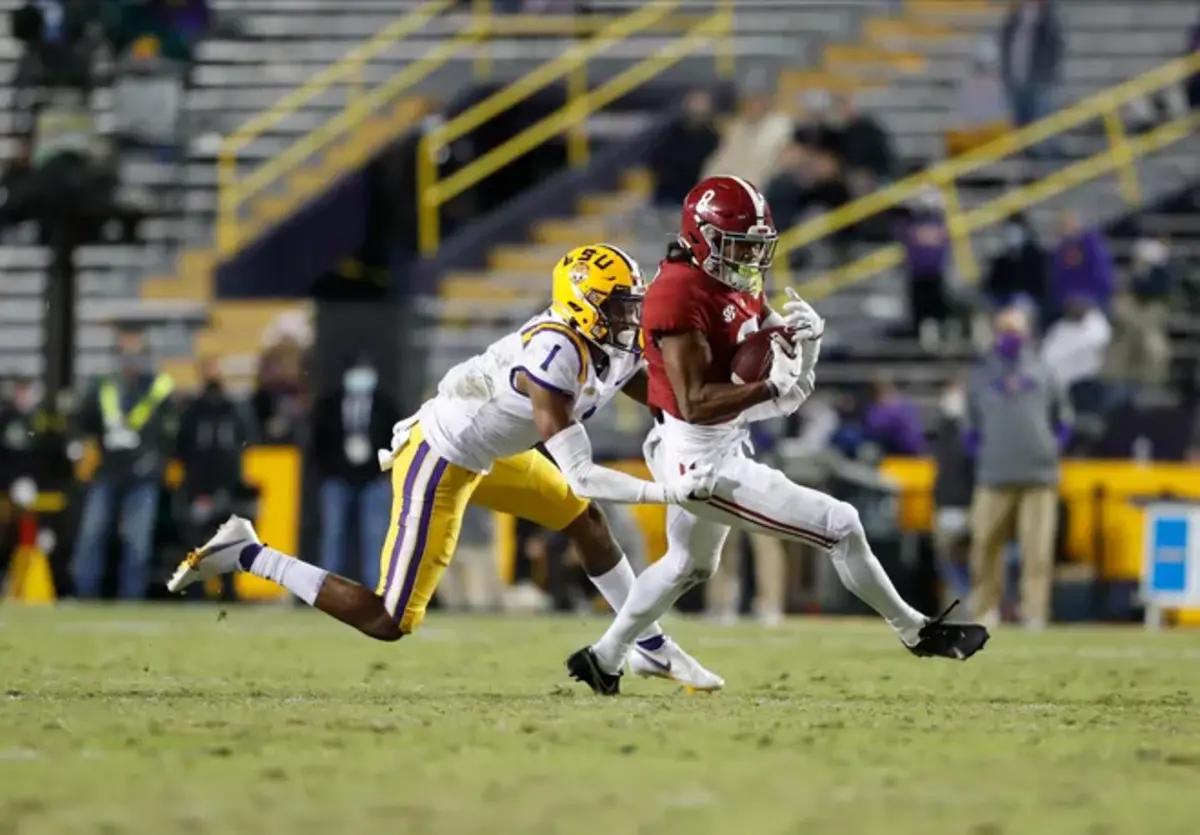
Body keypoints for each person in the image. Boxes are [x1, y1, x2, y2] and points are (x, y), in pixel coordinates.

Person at [168, 244, 724, 691]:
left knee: (585, 522)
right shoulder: (554, 355)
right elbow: (580, 472)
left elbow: (664, 401)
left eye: (634, 303)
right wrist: (671, 491)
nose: (632, 316)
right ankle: (247, 552)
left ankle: (649, 646)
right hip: (441, 456)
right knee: (390, 620)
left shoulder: (610, 341)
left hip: (496, 451)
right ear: (584, 305)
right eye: (620, 306)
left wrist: (739, 401)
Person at [565, 177, 988, 695]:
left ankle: (604, 657)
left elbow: (784, 377)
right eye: (737, 246)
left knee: (688, 564)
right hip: (698, 458)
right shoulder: (677, 292)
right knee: (842, 523)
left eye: (755, 248)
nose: (747, 260)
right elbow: (697, 402)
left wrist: (803, 343)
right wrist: (768, 383)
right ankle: (914, 629)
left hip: (722, 436)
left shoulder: (734, 278)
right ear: (701, 237)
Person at [966, 307, 1069, 629]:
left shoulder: (1045, 370)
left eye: (1016, 329)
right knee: (983, 542)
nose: (1011, 335)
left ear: (1027, 332)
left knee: (1036, 549)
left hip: (1039, 474)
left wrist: (1052, 448)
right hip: (994, 473)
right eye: (1005, 328)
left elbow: (1063, 419)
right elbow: (970, 426)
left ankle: (1034, 613)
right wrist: (982, 453)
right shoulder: (980, 374)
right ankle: (985, 609)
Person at [71, 327, 176, 598]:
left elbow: (171, 434)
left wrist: (155, 461)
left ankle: (131, 597)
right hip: (108, 471)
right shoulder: (103, 386)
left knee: (136, 541)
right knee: (92, 536)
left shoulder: (159, 387)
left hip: (143, 475)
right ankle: (85, 595)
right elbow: (82, 423)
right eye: (125, 355)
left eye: (136, 355)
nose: (130, 361)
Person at [312, 357, 400, 588]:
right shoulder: (330, 403)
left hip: (373, 480)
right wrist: (331, 469)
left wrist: (383, 471)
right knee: (333, 536)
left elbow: (398, 439)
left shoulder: (384, 404)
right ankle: (327, 591)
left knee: (375, 538)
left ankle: (375, 591)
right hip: (338, 479)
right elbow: (318, 441)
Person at [175, 358, 256, 578]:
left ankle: (228, 594)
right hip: (198, 488)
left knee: (230, 545)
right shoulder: (192, 412)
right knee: (196, 543)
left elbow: (247, 444)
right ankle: (196, 593)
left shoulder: (235, 410)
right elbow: (182, 449)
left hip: (229, 487)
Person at [999, 0, 1064, 142]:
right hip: (1016, 82)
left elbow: (1055, 48)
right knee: (1021, 128)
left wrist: (1046, 77)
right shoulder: (1013, 20)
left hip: (1038, 84)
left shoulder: (1048, 20)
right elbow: (1005, 46)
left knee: (1041, 129)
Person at [702, 90, 793, 191]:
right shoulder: (737, 127)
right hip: (726, 184)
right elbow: (721, 158)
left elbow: (783, 160)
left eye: (759, 100)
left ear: (769, 102)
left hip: (759, 187)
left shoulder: (781, 126)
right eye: (751, 101)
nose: (755, 105)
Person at [649, 88, 720, 209]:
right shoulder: (671, 133)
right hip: (664, 194)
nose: (697, 109)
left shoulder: (712, 138)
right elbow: (656, 161)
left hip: (694, 198)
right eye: (695, 103)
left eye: (702, 104)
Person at [898, 188, 951, 347]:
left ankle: (938, 333)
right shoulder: (910, 223)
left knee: (937, 307)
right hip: (918, 274)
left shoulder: (938, 222)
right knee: (920, 309)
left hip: (934, 273)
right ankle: (922, 335)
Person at [946, 38, 1010, 157]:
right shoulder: (965, 85)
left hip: (988, 137)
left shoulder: (1000, 85)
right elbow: (957, 121)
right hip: (971, 137)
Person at [1040, 295, 1112, 401]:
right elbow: (1046, 357)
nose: (1075, 306)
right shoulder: (1060, 327)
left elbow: (1101, 345)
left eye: (1079, 303)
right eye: (1071, 303)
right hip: (1058, 386)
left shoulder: (1097, 325)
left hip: (1089, 384)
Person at [1049, 211, 1115, 316]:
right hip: (1069, 303)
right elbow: (1058, 281)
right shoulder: (1061, 250)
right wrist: (1066, 298)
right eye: (1061, 226)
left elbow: (1103, 276)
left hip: (1095, 300)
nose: (1063, 229)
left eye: (1067, 224)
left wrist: (1084, 297)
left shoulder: (1092, 243)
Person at [984, 214, 1047, 312]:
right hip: (1005, 305)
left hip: (1030, 303)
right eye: (1009, 229)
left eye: (1015, 229)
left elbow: (1041, 286)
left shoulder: (1036, 256)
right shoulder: (1002, 260)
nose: (1011, 234)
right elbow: (992, 286)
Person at [863, 379, 927, 456]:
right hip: (888, 443)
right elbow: (872, 425)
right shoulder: (875, 405)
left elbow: (876, 424)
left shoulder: (900, 404)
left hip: (906, 446)